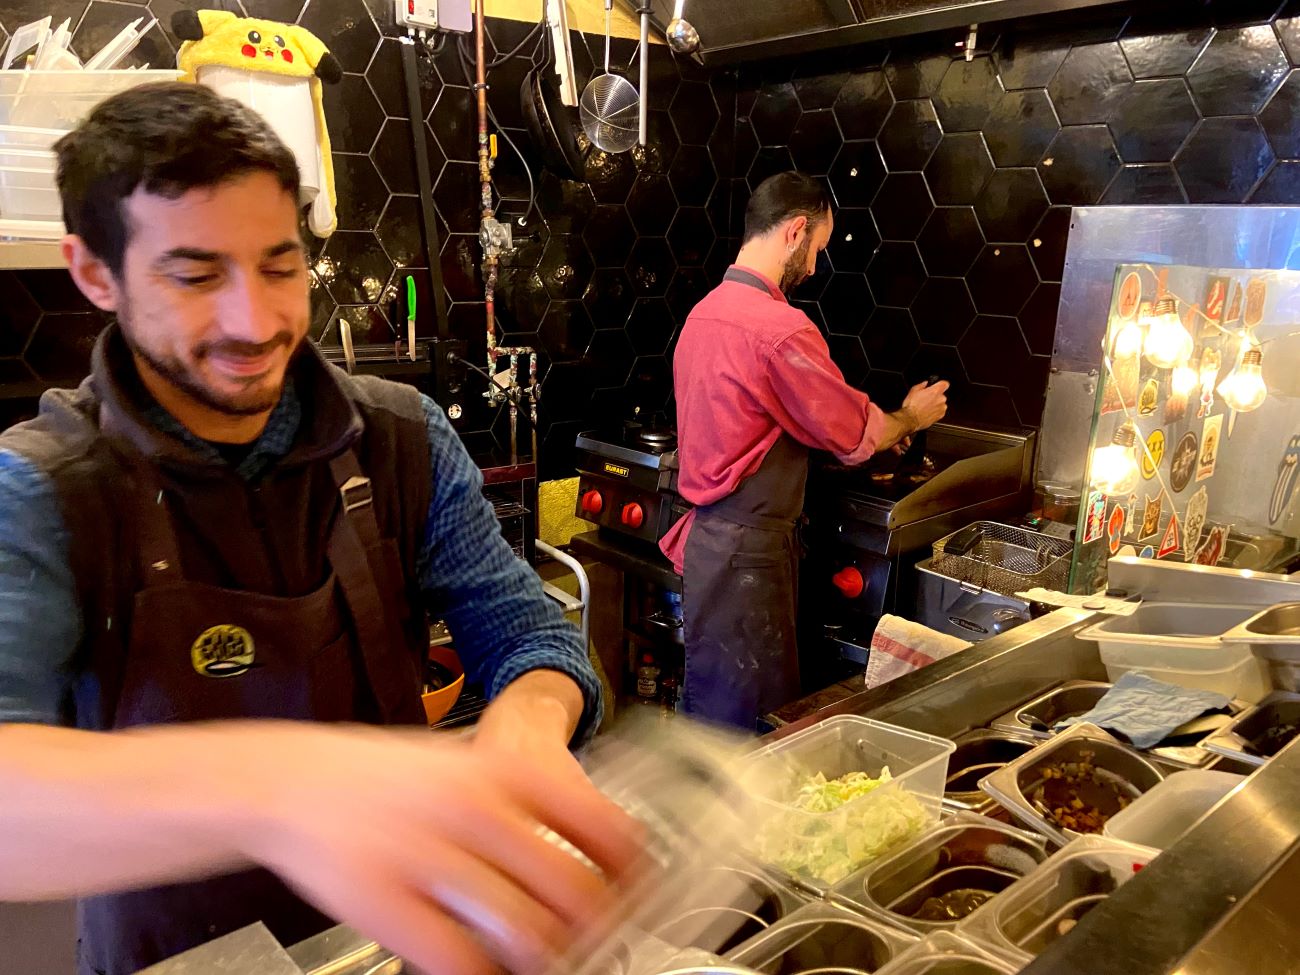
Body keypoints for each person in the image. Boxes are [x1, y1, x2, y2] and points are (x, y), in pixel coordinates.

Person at [0, 83, 641, 975]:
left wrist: (524, 734)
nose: (254, 321)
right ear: (95, 272)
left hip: (397, 942)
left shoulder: (401, 438)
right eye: (195, 274)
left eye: (279, 265)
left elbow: (530, 633)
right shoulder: (38, 488)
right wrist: (286, 793)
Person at [660, 172, 950, 731]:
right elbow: (853, 433)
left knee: (715, 709)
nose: (815, 267)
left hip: (711, 546)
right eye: (817, 248)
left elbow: (762, 420)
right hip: (748, 555)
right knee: (750, 720)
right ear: (795, 231)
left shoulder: (705, 314)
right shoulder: (779, 330)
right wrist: (910, 416)